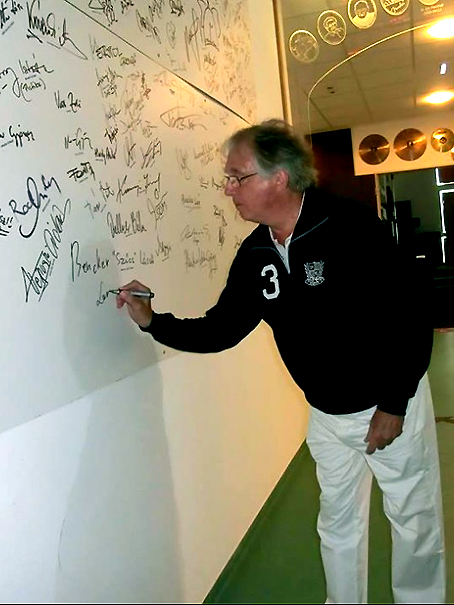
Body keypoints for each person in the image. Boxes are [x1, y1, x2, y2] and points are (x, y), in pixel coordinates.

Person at [116, 120, 446, 604]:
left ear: (280, 177)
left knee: (413, 521)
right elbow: (221, 329)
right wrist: (152, 321)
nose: (228, 189)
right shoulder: (254, 255)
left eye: (237, 176)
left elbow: (411, 315)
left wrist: (394, 403)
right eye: (228, 178)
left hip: (388, 405)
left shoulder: (349, 227)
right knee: (337, 523)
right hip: (327, 416)